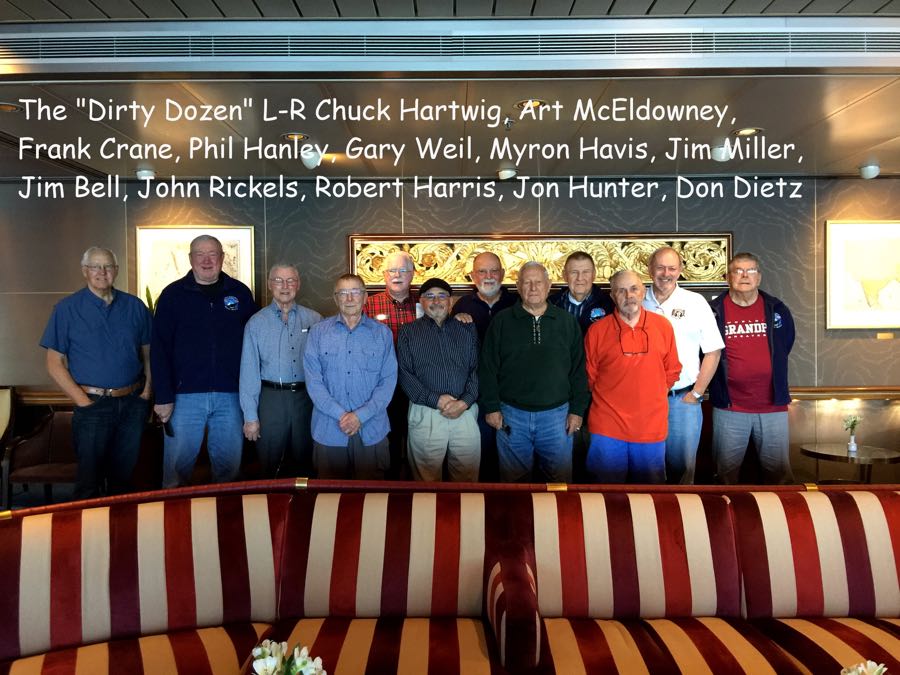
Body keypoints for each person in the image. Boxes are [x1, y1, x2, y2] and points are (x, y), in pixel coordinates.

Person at [40, 246, 152, 498]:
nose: (102, 272)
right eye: (95, 267)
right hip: (92, 406)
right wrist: (83, 402)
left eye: (108, 266)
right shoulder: (67, 309)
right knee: (89, 483)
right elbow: (54, 363)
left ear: (116, 270)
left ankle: (120, 524)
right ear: (85, 271)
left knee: (124, 481)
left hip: (132, 404)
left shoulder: (135, 306)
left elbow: (149, 354)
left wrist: (146, 392)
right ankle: (89, 526)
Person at [151, 234, 255, 487]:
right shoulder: (172, 295)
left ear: (222, 258)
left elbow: (253, 348)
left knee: (229, 471)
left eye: (212, 254)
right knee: (176, 472)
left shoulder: (240, 293)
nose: (207, 260)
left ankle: (224, 512)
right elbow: (159, 349)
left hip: (231, 396)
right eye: (200, 254)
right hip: (184, 397)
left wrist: (251, 397)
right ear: (190, 259)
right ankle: (174, 513)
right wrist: (163, 396)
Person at [479, 261, 589, 483]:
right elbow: (487, 368)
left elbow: (579, 371)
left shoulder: (566, 322)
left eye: (538, 282)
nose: (533, 288)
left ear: (548, 286)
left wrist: (577, 411)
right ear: (518, 286)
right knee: (514, 484)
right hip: (511, 416)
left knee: (558, 483)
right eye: (527, 282)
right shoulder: (502, 321)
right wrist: (491, 407)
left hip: (557, 417)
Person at [584, 269, 681, 483]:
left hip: (651, 427)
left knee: (649, 495)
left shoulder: (663, 326)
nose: (629, 296)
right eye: (621, 291)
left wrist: (650, 395)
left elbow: (672, 370)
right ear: (612, 296)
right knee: (605, 494)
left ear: (643, 292)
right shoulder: (597, 331)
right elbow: (590, 377)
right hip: (607, 427)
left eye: (634, 289)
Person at [709, 252, 795, 484]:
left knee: (779, 475)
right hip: (729, 407)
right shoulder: (713, 311)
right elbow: (704, 354)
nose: (745, 276)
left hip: (772, 406)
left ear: (759, 277)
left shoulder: (777, 309)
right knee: (724, 475)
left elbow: (785, 345)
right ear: (728, 277)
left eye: (751, 271)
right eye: (738, 271)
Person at [643, 247, 724, 484]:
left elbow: (713, 351)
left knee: (682, 473)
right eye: (660, 267)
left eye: (672, 268)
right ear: (650, 269)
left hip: (682, 400)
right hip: (644, 402)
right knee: (647, 471)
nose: (666, 273)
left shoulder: (695, 302)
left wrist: (696, 393)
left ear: (680, 271)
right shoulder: (637, 300)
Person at [304, 274, 397, 479]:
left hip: (371, 430)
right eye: (343, 293)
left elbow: (388, 382)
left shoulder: (382, 334)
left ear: (365, 297)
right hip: (329, 430)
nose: (349, 298)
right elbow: (314, 383)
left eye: (355, 292)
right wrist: (342, 416)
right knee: (330, 496)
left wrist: (359, 416)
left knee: (371, 496)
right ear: (335, 298)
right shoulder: (317, 333)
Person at [239, 263, 322, 478]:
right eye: (278, 280)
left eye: (290, 280)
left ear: (298, 284)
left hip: (307, 399)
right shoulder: (256, 323)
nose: (285, 286)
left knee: (307, 461)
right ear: (269, 285)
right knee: (269, 460)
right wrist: (250, 417)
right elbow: (248, 373)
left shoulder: (315, 320)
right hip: (270, 400)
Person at [397, 277, 480, 482]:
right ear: (421, 301)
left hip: (465, 411)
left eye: (442, 296)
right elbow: (404, 373)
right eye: (430, 296)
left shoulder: (466, 328)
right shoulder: (408, 331)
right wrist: (436, 400)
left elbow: (477, 369)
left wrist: (465, 401)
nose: (436, 301)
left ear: (450, 301)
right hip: (426, 413)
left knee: (467, 479)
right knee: (426, 481)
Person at [363, 250, 417, 478]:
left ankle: (415, 486)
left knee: (417, 439)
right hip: (382, 386)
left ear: (412, 274)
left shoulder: (425, 302)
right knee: (388, 439)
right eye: (392, 270)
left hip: (417, 385)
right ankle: (390, 484)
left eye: (403, 270)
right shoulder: (369, 305)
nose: (397, 275)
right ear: (384, 275)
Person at [451, 251, 517, 343]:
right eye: (482, 271)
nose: (489, 276)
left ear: (502, 274)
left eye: (494, 271)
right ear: (473, 276)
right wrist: (454, 322)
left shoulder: (517, 303)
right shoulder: (462, 305)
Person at [548, 251, 614, 335]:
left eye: (585, 272)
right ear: (564, 275)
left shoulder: (610, 305)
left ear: (594, 275)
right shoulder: (550, 304)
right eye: (574, 272)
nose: (579, 278)